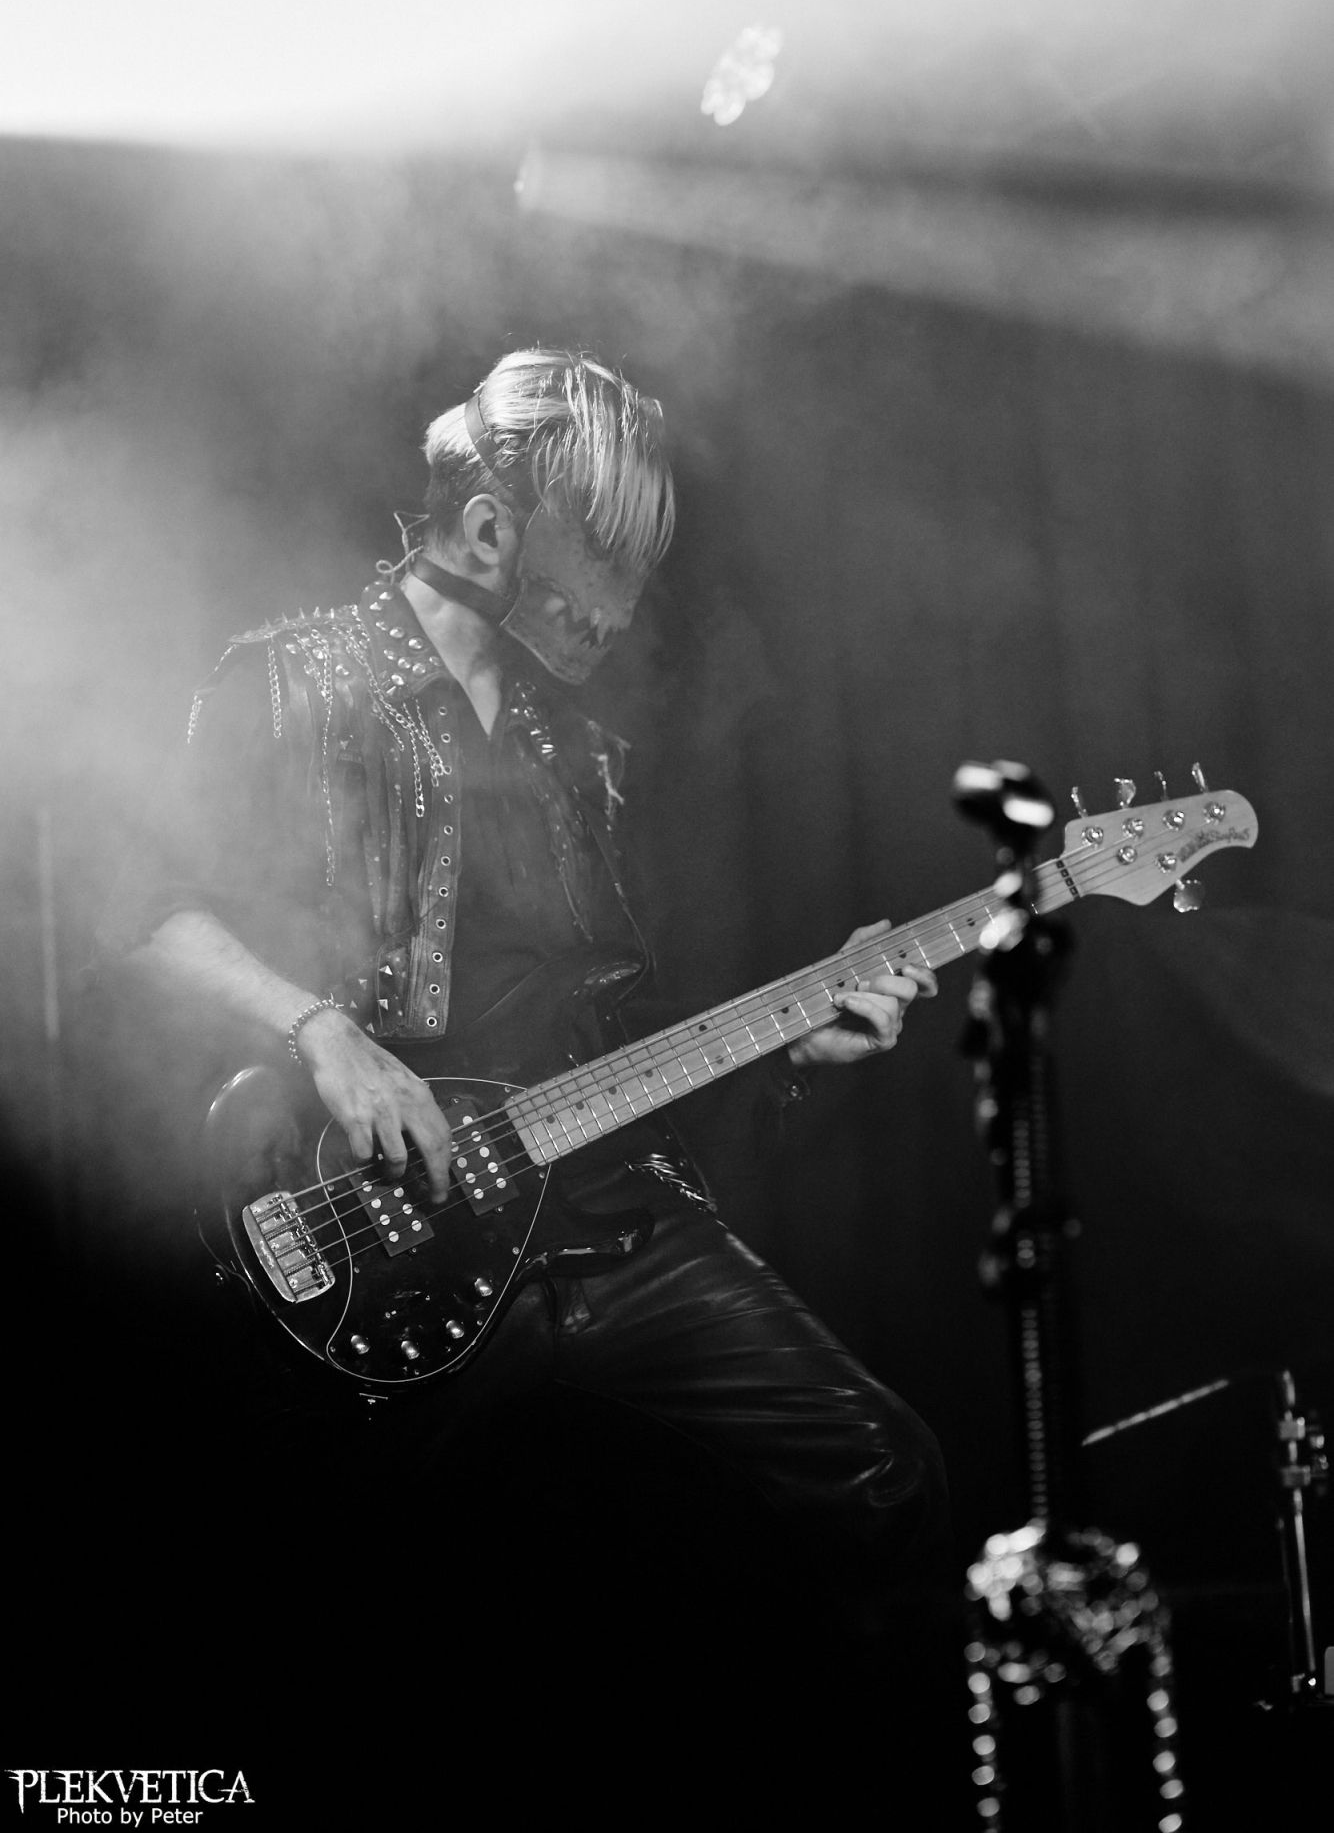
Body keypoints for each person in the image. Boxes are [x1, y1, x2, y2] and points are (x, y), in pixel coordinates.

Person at [100, 346, 946, 1671]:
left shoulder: (581, 754)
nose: (626, 606)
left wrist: (793, 1044)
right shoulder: (285, 677)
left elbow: (609, 1026)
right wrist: (324, 1031)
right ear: (492, 529)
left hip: (601, 1215)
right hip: (380, 1228)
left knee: (885, 1472)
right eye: (607, 563)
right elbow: (149, 915)